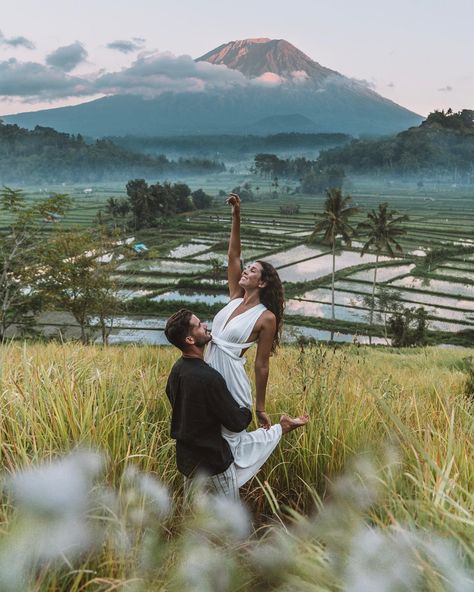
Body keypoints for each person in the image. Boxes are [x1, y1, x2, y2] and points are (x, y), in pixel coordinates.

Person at [205, 193, 308, 487]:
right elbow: (233, 256)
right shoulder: (234, 296)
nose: (245, 270)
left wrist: (261, 408)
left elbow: (261, 365)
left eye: (252, 271)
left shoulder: (266, 318)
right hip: (207, 369)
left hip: (232, 377)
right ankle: (213, 494)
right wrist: (237, 215)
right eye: (247, 268)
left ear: (262, 283)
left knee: (231, 438)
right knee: (208, 435)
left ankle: (277, 430)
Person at [164, 308, 251, 500]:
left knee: (194, 521)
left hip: (187, 462)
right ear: (190, 340)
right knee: (230, 520)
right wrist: (247, 409)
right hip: (213, 463)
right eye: (198, 325)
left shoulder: (177, 370)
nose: (205, 325)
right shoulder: (209, 378)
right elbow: (236, 422)